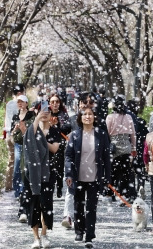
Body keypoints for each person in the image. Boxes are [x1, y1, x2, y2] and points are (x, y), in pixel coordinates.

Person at [64, 106, 111, 248]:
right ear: (80, 118)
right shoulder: (75, 135)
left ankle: (90, 235)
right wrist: (69, 173)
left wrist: (107, 178)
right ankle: (79, 231)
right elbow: (68, 155)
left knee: (91, 207)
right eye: (85, 114)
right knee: (78, 205)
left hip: (95, 177)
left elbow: (106, 158)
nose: (88, 117)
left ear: (94, 117)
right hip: (78, 176)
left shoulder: (101, 134)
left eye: (90, 114)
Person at [23, 102, 61, 249]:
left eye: (47, 112)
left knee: (46, 204)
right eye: (42, 112)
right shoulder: (32, 129)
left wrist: (43, 138)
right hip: (32, 174)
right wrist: (37, 120)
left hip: (48, 172)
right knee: (33, 204)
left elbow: (54, 149)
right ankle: (36, 238)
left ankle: (44, 234)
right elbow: (27, 139)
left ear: (51, 115)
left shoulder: (54, 131)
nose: (45, 114)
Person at [61, 91, 95, 229]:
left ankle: (84, 220)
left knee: (88, 196)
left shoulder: (96, 121)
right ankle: (68, 216)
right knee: (71, 190)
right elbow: (61, 131)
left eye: (90, 103)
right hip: (74, 162)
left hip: (91, 164)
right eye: (84, 102)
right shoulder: (73, 119)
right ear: (79, 104)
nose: (87, 105)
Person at [106, 95, 137, 204]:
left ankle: (111, 193)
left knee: (112, 172)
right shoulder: (128, 117)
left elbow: (107, 133)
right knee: (125, 173)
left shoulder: (110, 117)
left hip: (114, 147)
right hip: (126, 147)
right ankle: (124, 195)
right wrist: (134, 147)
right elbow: (133, 134)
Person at [10, 95, 36, 222]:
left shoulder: (31, 115)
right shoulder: (15, 116)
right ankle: (19, 192)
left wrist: (23, 129)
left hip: (28, 147)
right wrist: (15, 130)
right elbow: (13, 134)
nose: (20, 104)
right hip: (18, 145)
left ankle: (25, 201)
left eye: (22, 102)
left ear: (26, 103)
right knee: (17, 169)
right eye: (18, 102)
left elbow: (32, 132)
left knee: (26, 172)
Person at [3, 84, 25, 191]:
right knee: (19, 160)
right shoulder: (18, 104)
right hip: (15, 135)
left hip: (8, 135)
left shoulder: (9, 104)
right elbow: (20, 119)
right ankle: (18, 185)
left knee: (11, 160)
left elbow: (6, 120)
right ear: (20, 93)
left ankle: (8, 185)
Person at [49, 94, 71, 198]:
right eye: (52, 102)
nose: (55, 104)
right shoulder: (46, 114)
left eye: (57, 101)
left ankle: (59, 186)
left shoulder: (63, 114)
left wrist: (57, 126)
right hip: (48, 143)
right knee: (50, 166)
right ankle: (51, 186)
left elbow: (68, 127)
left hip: (60, 143)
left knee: (59, 166)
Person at [127, 100, 149, 193]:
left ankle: (131, 191)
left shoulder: (126, 122)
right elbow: (146, 136)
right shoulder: (141, 121)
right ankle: (141, 187)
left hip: (130, 148)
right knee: (140, 170)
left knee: (130, 171)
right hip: (140, 148)